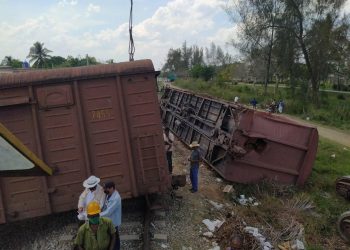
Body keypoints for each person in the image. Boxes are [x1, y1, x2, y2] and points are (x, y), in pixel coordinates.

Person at [101, 181, 122, 250]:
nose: (105, 190)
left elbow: (108, 212)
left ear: (112, 188)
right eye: (104, 189)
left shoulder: (116, 198)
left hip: (113, 222)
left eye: (106, 189)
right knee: (112, 238)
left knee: (115, 238)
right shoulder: (109, 194)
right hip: (108, 221)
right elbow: (105, 206)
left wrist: (97, 215)